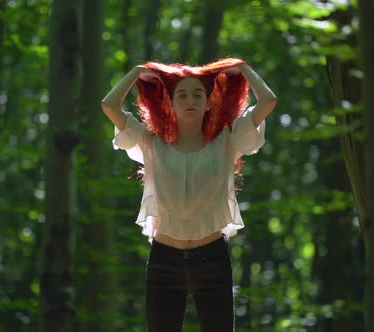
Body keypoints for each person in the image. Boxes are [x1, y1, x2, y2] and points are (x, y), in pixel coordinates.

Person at [101, 58, 277, 332]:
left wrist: (242, 69)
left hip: (212, 260)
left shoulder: (228, 140)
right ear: (169, 103)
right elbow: (108, 105)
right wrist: (137, 73)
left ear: (209, 102)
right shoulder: (150, 144)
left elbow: (268, 101)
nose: (190, 100)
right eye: (181, 95)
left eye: (198, 94)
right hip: (164, 261)